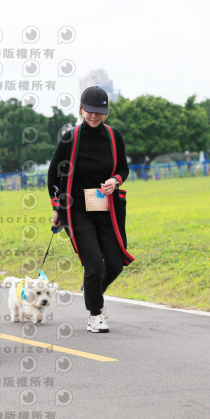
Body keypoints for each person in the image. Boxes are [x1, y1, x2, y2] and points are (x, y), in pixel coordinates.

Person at [47, 86, 135, 333]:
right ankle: (95, 314)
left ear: (106, 112)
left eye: (99, 111)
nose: (94, 116)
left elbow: (124, 168)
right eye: (89, 111)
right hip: (77, 211)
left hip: (108, 210)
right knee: (94, 264)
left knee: (115, 264)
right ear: (81, 109)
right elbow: (53, 175)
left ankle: (92, 289)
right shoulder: (70, 138)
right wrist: (57, 208)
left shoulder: (114, 137)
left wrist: (115, 180)